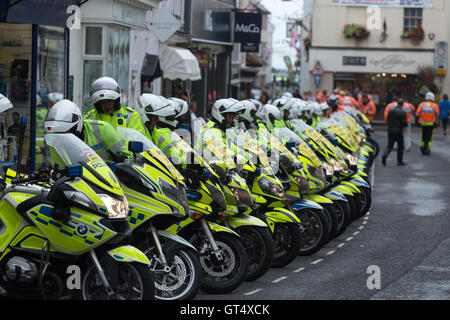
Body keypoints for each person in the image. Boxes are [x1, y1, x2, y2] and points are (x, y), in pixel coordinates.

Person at [44, 99, 132, 164]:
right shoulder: (56, 143)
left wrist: (120, 160)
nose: (60, 136)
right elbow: (60, 170)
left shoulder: (103, 129)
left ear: (76, 126)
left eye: (64, 132)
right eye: (56, 133)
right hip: (80, 183)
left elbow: (126, 156)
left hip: (110, 179)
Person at [381, 101, 408, 166]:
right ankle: (399, 161)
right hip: (399, 131)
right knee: (400, 146)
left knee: (390, 145)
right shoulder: (403, 112)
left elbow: (387, 120)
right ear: (402, 105)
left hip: (390, 130)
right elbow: (404, 123)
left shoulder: (391, 111)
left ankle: (384, 155)